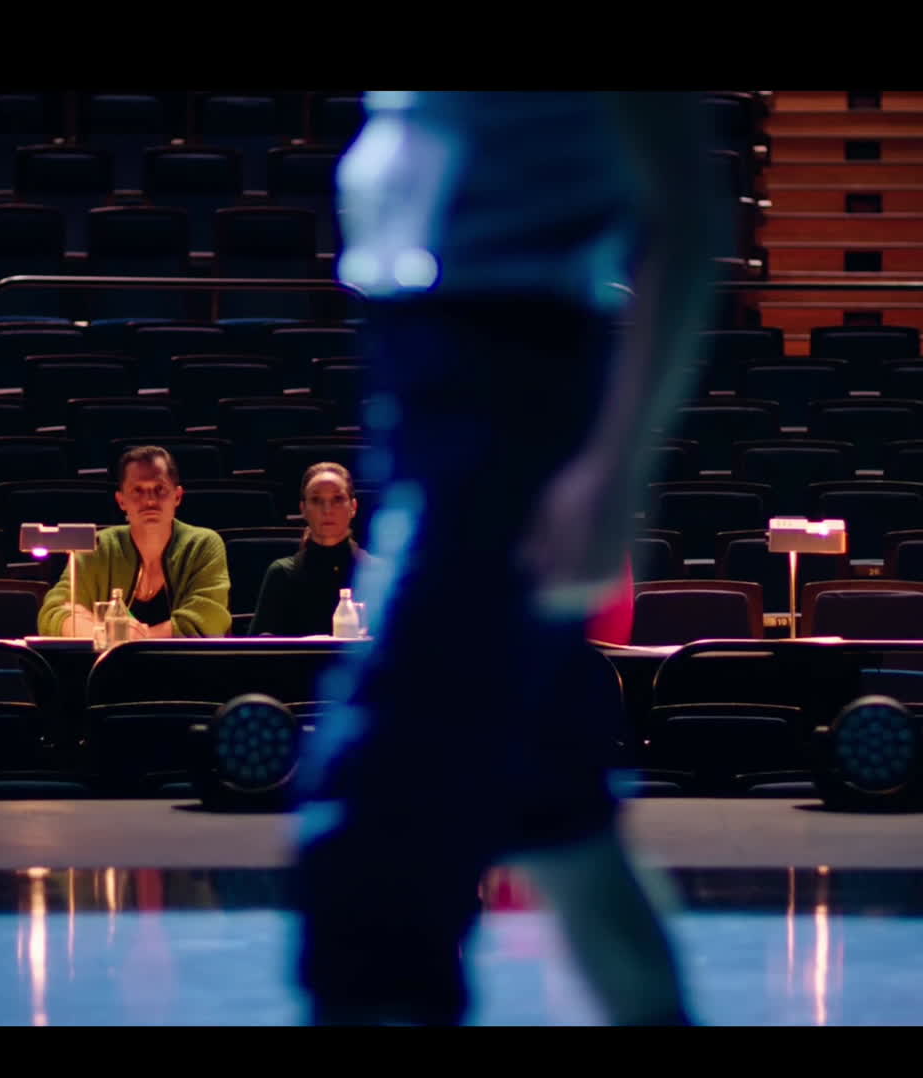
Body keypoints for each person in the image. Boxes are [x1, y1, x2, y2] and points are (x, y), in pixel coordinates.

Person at [291, 91, 724, 1026]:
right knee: (556, 806)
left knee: (371, 826)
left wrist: (619, 464)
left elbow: (684, 210)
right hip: (421, 371)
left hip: (506, 386)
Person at [38, 445, 232, 639]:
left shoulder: (203, 544)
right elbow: (54, 612)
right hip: (107, 659)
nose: (150, 501)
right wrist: (99, 632)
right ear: (121, 500)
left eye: (160, 489)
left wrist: (134, 639)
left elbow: (208, 618)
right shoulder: (99, 546)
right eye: (138, 490)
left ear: (177, 496)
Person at [252, 462, 375, 637]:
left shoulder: (377, 573)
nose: (327, 510)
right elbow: (258, 648)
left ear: (353, 507)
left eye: (337, 499)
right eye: (316, 500)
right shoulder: (282, 574)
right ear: (303, 509)